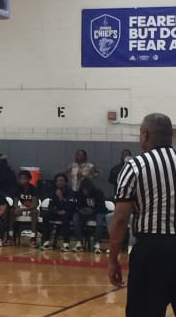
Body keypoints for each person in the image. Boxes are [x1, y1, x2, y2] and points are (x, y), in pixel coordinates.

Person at [108, 113, 176, 317]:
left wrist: (113, 259)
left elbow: (120, 218)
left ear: (145, 134)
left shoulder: (135, 166)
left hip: (151, 250)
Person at [40, 173, 76, 251]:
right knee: (46, 215)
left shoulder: (70, 192)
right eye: (58, 181)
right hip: (57, 212)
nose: (60, 182)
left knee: (65, 217)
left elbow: (70, 207)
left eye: (62, 180)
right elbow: (51, 207)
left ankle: (66, 243)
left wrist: (61, 198)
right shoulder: (54, 192)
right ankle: (47, 241)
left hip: (68, 213)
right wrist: (57, 212)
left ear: (66, 182)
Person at [72, 178, 107, 254]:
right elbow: (77, 205)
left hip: (97, 212)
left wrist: (93, 211)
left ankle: (97, 243)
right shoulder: (79, 194)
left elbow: (102, 207)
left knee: (100, 219)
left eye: (87, 189)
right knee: (75, 217)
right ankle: (79, 242)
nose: (85, 191)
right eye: (84, 189)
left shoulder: (99, 193)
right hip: (84, 213)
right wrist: (81, 210)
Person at [10, 170, 39, 248]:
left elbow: (34, 205)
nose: (22, 180)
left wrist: (23, 210)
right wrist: (16, 208)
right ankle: (10, 236)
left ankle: (33, 238)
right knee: (12, 211)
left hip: (31, 209)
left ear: (29, 179)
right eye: (21, 179)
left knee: (35, 212)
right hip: (22, 207)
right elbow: (15, 202)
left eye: (24, 178)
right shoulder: (17, 188)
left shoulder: (33, 189)